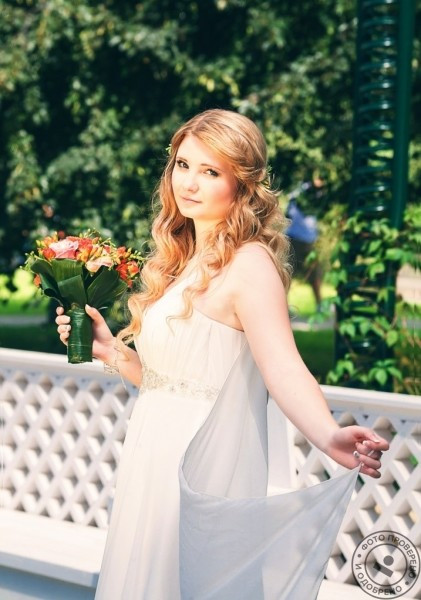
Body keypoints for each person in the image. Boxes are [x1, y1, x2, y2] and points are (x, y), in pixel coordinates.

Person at [55, 109, 389, 600]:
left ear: (242, 185)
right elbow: (171, 379)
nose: (188, 183)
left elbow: (284, 367)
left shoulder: (249, 264)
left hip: (205, 459)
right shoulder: (181, 260)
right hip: (152, 452)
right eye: (182, 165)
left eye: (210, 171)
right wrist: (111, 350)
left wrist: (327, 434)